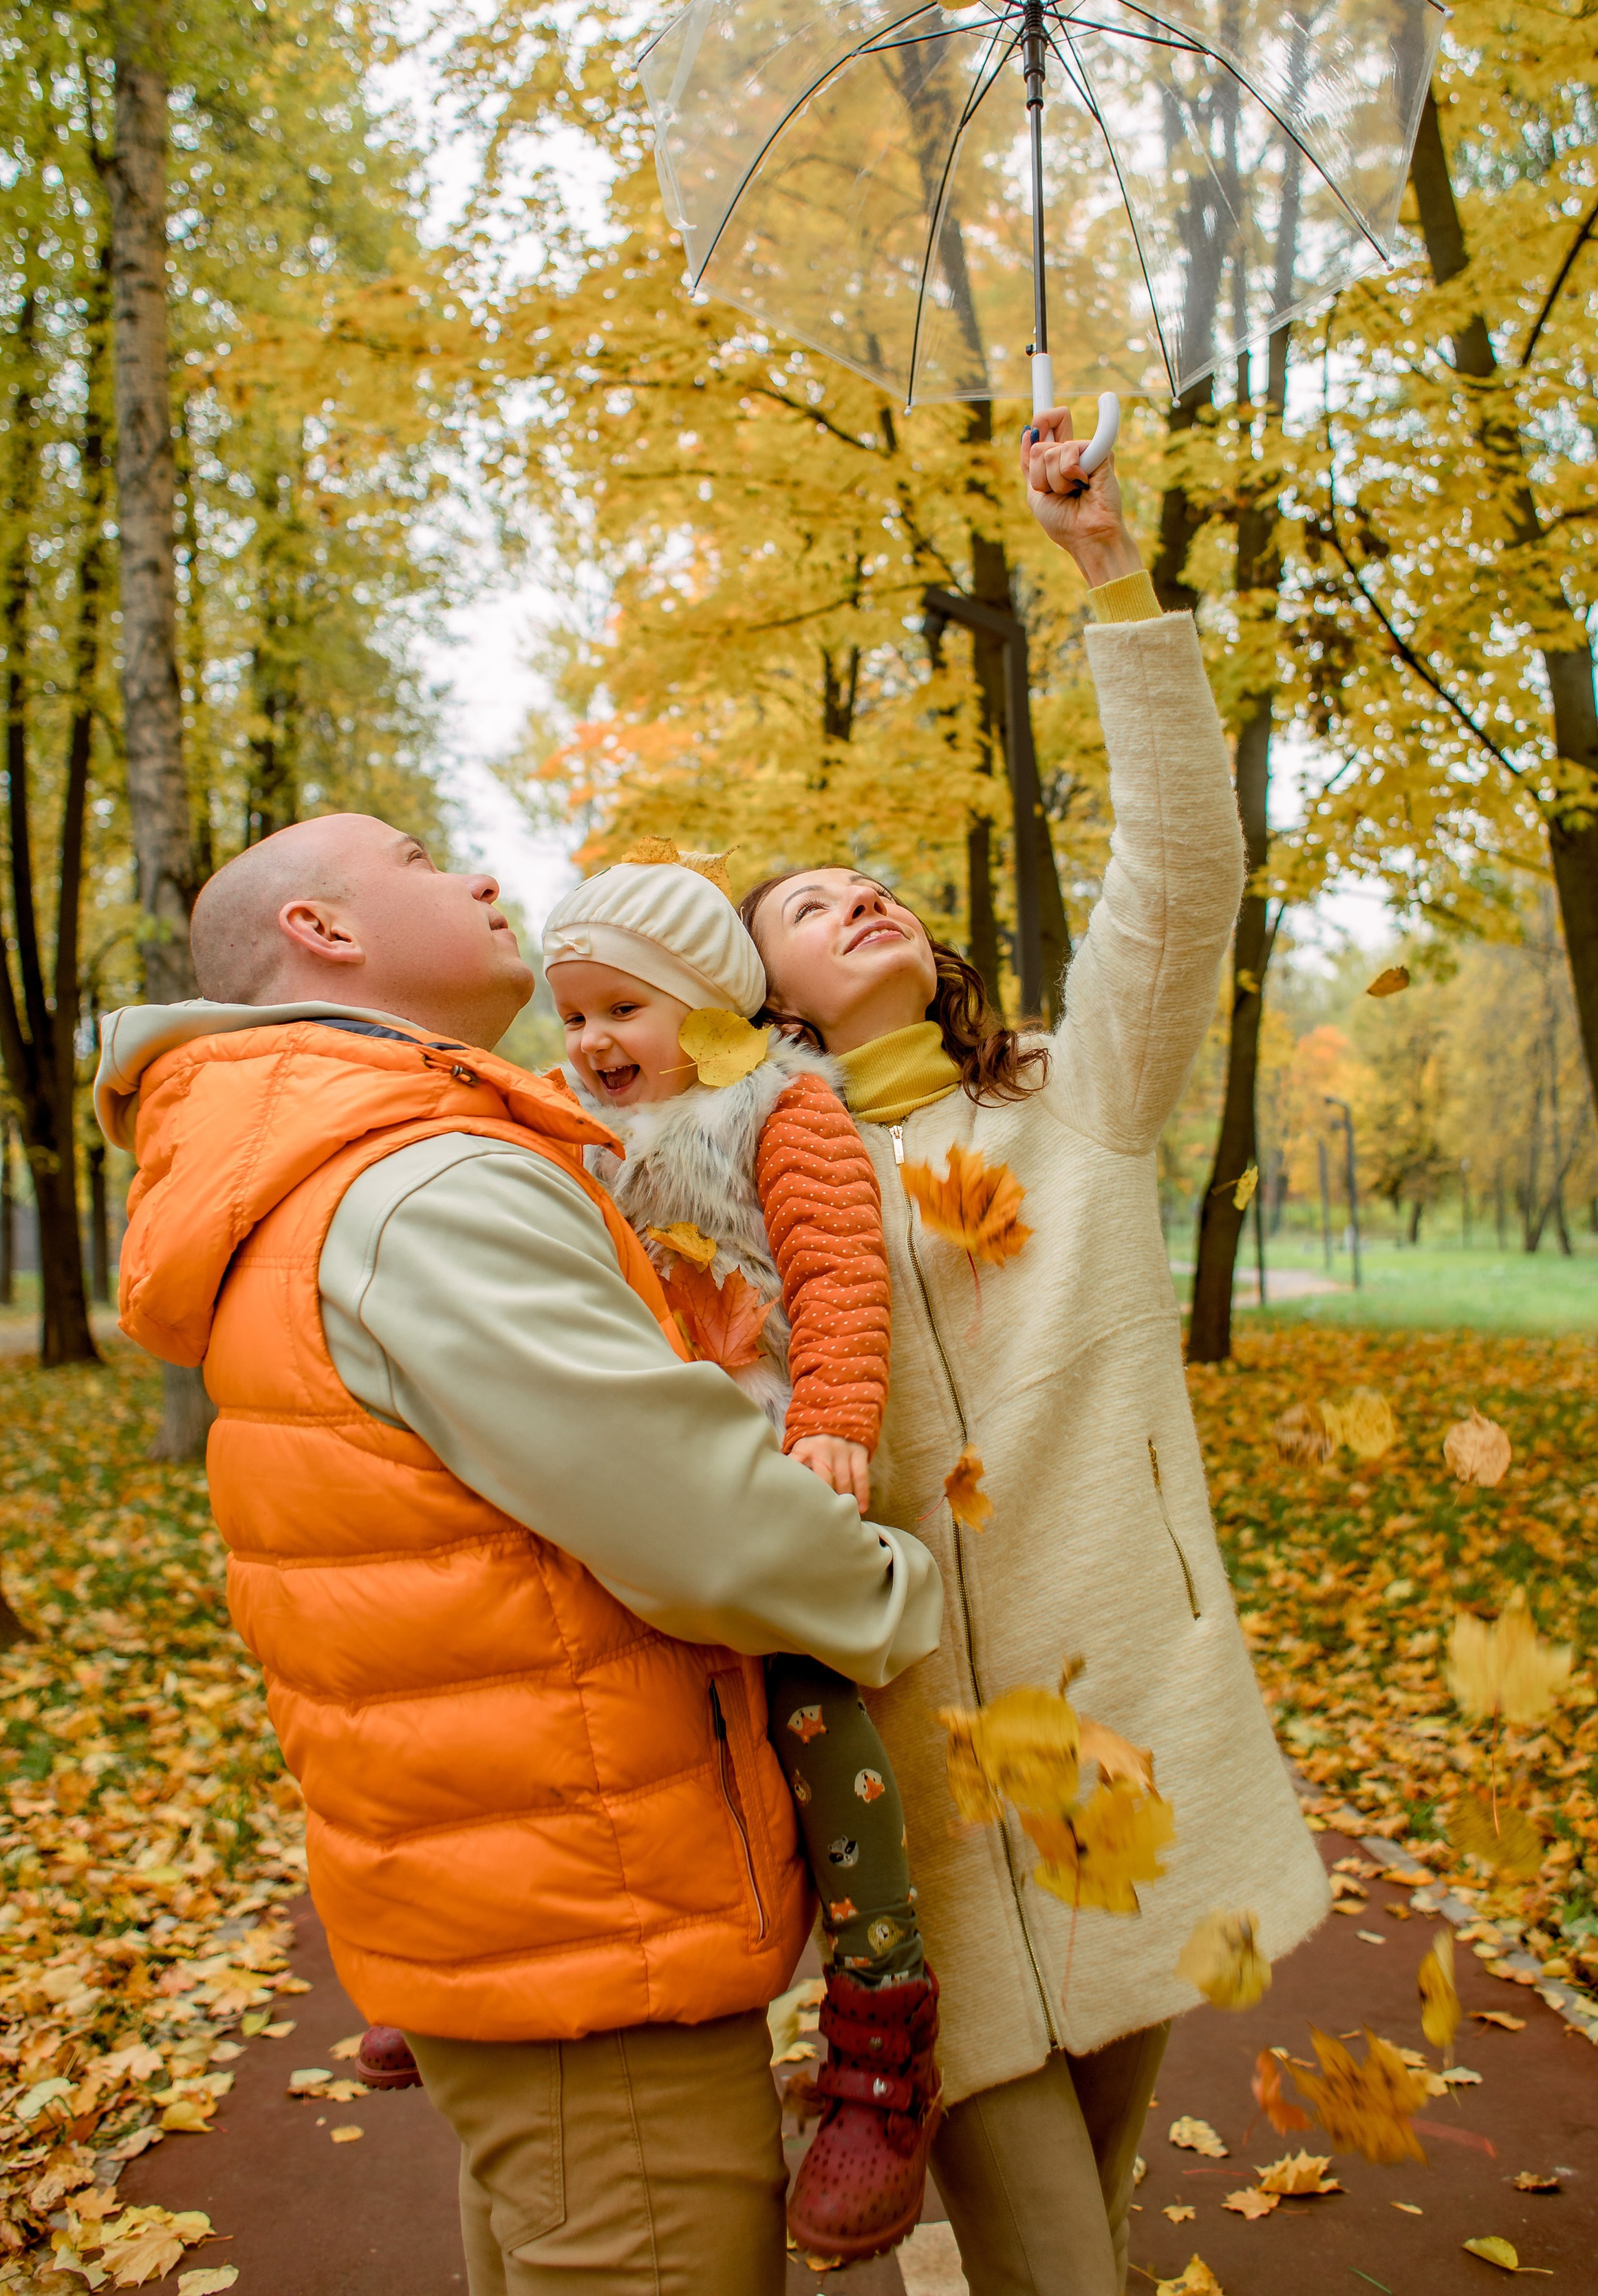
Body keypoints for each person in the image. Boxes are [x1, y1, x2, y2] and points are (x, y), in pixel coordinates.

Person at [93, 816, 942, 2296]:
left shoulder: (316, 1163)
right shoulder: (425, 1187)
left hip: (508, 1912)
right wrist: (893, 1592)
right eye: (425, 860)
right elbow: (698, 1524)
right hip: (595, 1930)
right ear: (325, 931)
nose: (483, 877)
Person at [738, 407, 1330, 2296]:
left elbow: (1184, 871)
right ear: (768, 1005)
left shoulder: (1081, 1109)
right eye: (816, 912)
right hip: (920, 1797)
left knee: (1101, 2196)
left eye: (870, 879)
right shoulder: (748, 1201)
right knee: (1059, 2254)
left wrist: (1109, 577)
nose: (866, 897)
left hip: (1135, 1736)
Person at [540, 849, 942, 2264]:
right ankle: (504, 1953)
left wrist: (834, 1419)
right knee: (586, 1697)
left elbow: (834, 1265)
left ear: (706, 1002)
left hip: (766, 1446)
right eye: (569, 1011)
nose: (589, 1041)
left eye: (620, 1010)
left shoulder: (780, 1102)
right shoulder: (567, 1126)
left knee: (811, 1708)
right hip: (629, 1458)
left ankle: (880, 2022)